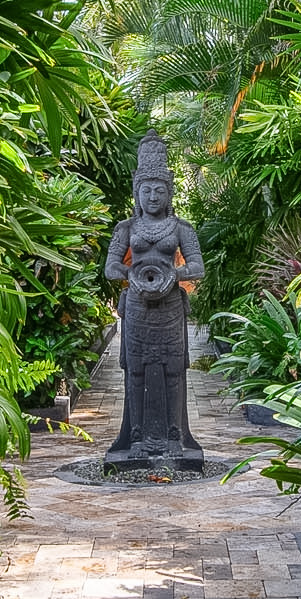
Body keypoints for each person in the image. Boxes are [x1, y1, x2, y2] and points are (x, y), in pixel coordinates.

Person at [103, 131, 205, 470]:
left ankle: (175, 437)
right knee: (136, 372)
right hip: (137, 308)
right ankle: (135, 438)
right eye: (146, 190)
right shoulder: (126, 228)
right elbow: (110, 267)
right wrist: (130, 274)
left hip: (170, 308)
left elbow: (198, 267)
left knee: (173, 371)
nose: (152, 196)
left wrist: (175, 274)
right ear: (137, 192)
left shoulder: (180, 228)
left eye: (159, 190)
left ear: (169, 192)